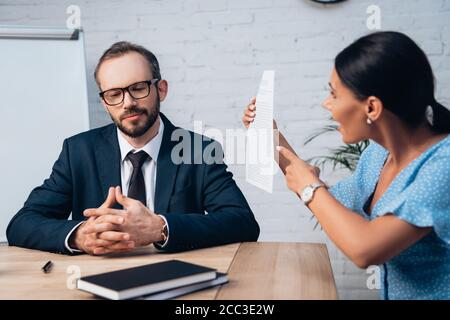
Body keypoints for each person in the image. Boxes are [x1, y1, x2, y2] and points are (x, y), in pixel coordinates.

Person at [242, 31, 450, 300]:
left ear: (372, 107)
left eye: (334, 94)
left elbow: (365, 248)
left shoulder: (442, 166)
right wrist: (270, 137)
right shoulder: (377, 156)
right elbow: (331, 203)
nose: (327, 104)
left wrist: (310, 188)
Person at [7, 41, 259, 255]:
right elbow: (21, 224)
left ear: (161, 89)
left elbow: (243, 223)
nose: (127, 103)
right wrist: (79, 235)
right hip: (99, 280)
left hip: (177, 278)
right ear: (105, 103)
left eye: (138, 88)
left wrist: (161, 227)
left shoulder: (199, 149)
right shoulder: (78, 151)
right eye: (114, 94)